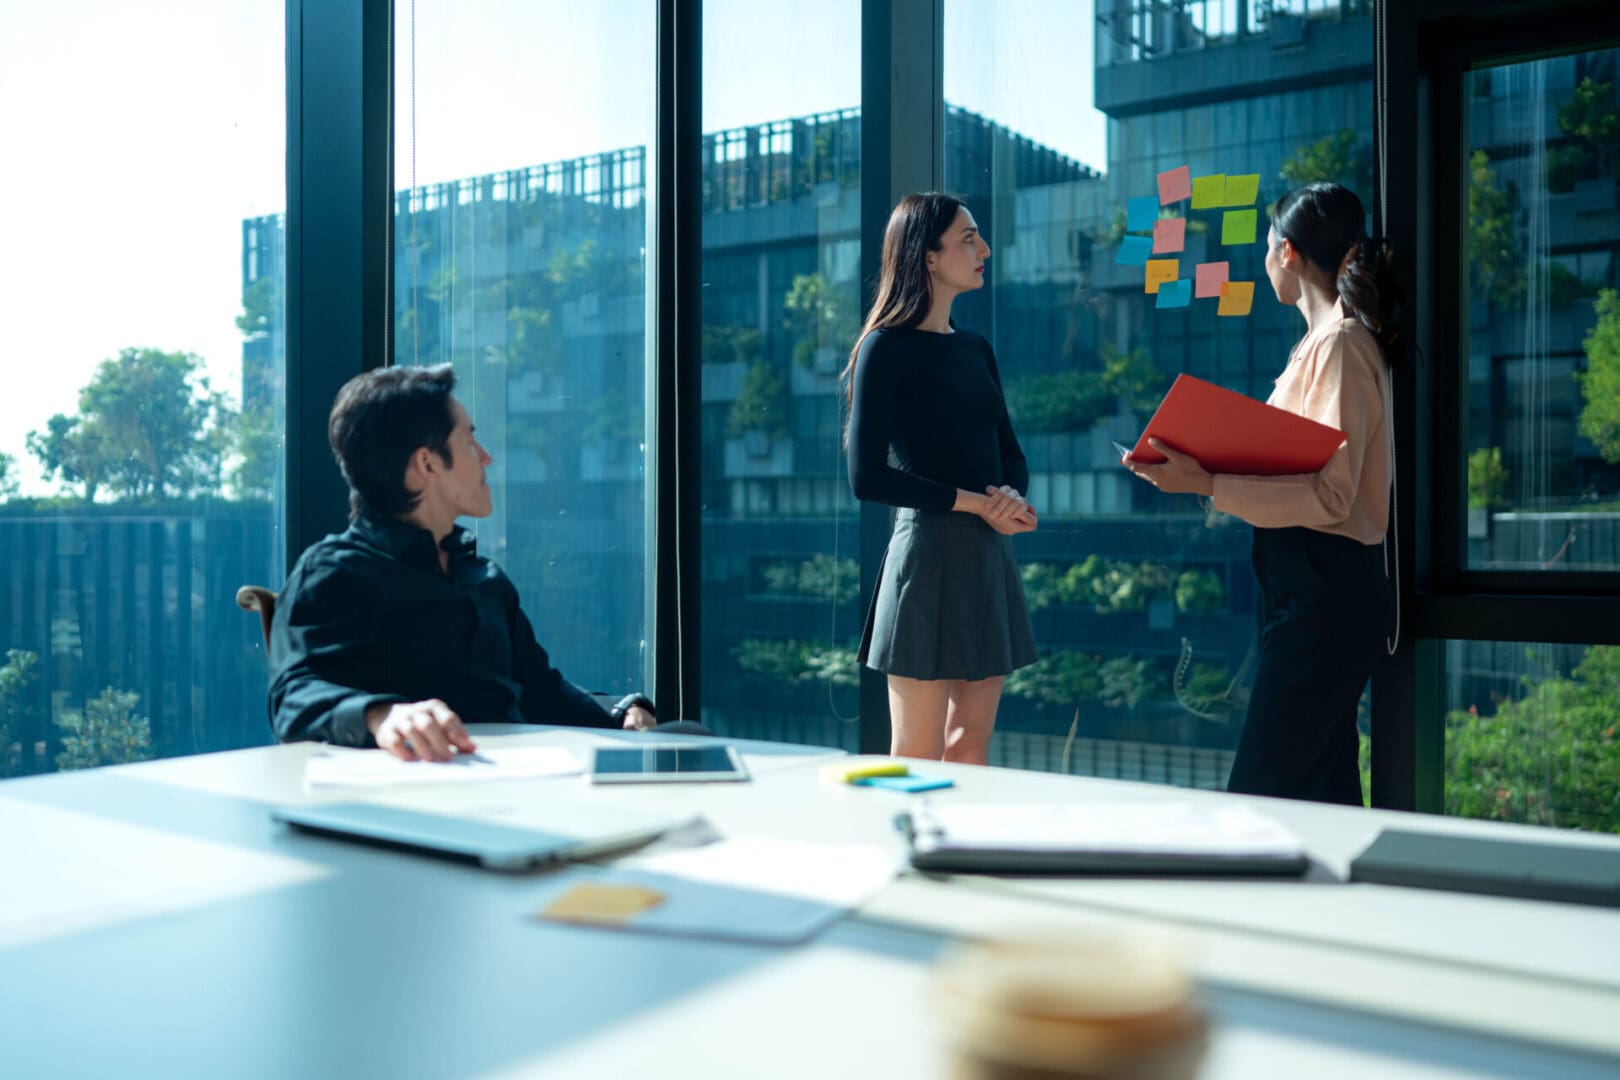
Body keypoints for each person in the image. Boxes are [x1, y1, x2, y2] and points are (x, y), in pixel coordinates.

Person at [1124, 182, 1401, 805]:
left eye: (1266, 244)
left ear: (1288, 254)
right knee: (1321, 797)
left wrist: (1206, 482)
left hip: (1324, 594)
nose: (1263, 256)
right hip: (1302, 591)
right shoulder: (1318, 344)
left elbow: (1332, 496)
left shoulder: (1342, 344)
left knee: (1262, 792)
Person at [269, 365, 660, 762]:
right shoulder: (334, 573)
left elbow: (542, 691)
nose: (487, 458)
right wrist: (382, 715)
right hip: (424, 801)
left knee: (686, 738)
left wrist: (620, 710)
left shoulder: (484, 579)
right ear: (428, 464)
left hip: (518, 783)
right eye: (471, 443)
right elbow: (293, 698)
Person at [846, 192, 1039, 766]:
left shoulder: (977, 348)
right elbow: (867, 478)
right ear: (928, 256)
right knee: (915, 753)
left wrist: (1006, 499)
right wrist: (976, 504)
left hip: (986, 554)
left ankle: (969, 856)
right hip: (924, 559)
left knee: (970, 746)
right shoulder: (884, 348)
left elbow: (1010, 454)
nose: (983, 250)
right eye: (968, 238)